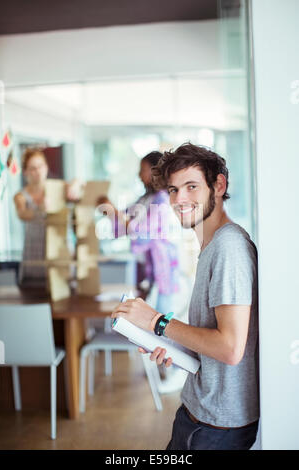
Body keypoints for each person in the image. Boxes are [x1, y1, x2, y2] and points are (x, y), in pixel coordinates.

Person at [111, 143, 260, 450]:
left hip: (216, 426)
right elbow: (213, 340)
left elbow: (231, 348)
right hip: (200, 413)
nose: (179, 199)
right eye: (173, 189)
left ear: (218, 185)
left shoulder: (229, 248)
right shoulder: (212, 245)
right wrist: (170, 345)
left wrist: (157, 322)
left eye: (191, 186)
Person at [98, 151, 179, 315]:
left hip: (162, 265)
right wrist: (108, 210)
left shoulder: (162, 199)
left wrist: (114, 211)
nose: (139, 174)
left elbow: (141, 232)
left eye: (143, 169)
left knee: (162, 317)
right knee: (147, 314)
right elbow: (123, 223)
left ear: (155, 171)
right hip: (147, 267)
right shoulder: (145, 199)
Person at [14, 147, 81, 287]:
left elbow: (80, 183)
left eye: (40, 166)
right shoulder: (20, 196)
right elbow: (22, 214)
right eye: (32, 168)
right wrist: (39, 209)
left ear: (46, 167)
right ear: (25, 172)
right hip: (34, 257)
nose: (38, 171)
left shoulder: (60, 187)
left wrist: (75, 184)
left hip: (59, 255)